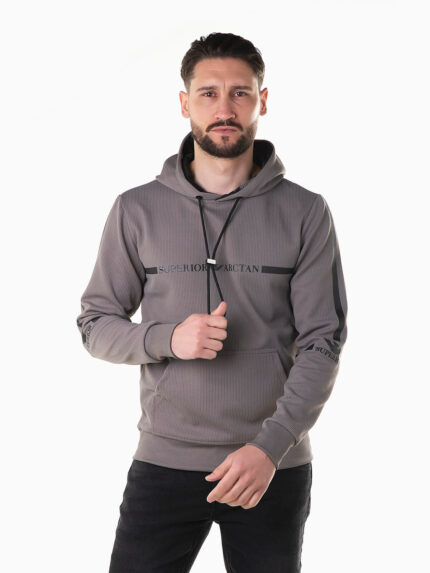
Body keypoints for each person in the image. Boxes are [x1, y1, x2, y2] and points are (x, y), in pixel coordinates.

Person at [76, 32, 348, 573]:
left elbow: (324, 342)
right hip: (164, 461)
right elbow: (95, 325)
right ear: (185, 104)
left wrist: (269, 448)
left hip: (269, 465)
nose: (225, 109)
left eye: (240, 93)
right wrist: (167, 338)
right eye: (208, 94)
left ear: (262, 101)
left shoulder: (305, 211)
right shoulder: (136, 209)